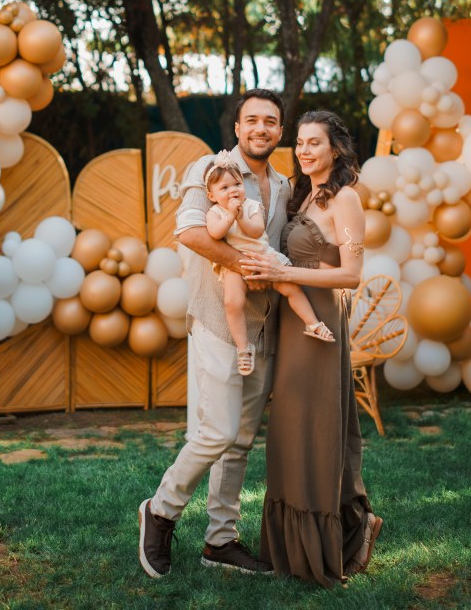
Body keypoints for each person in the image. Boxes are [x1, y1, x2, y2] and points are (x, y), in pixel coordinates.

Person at [138, 89, 290, 579]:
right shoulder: (210, 169)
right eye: (252, 120)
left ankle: (220, 540)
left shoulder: (284, 185)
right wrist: (247, 267)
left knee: (240, 441)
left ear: (280, 130)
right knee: (217, 432)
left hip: (264, 328)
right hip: (218, 320)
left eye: (270, 121)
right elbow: (189, 232)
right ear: (237, 128)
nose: (261, 128)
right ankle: (161, 510)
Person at [240, 109, 383, 588]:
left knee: (317, 431)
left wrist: (283, 273)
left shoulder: (346, 199)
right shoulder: (301, 194)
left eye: (313, 143)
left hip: (321, 324)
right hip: (292, 322)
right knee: (290, 430)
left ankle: (345, 534)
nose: (303, 150)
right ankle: (297, 548)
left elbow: (351, 275)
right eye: (299, 142)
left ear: (335, 149)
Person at [204, 153, 335, 376]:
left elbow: (256, 231)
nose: (233, 191)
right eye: (224, 188)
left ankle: (312, 323)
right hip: (236, 263)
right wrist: (229, 217)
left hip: (262, 256)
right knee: (232, 302)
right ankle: (243, 348)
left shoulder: (252, 206)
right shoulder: (214, 213)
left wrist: (240, 217)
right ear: (212, 196)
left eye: (237, 184)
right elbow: (215, 234)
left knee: (291, 288)